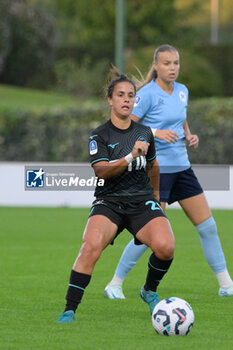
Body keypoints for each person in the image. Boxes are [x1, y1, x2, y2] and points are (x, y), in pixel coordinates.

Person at [104, 44, 233, 300]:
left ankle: (226, 284)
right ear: (156, 66)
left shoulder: (183, 91)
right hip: (156, 171)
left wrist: (189, 135)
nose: (172, 68)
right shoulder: (147, 95)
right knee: (151, 234)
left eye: (175, 63)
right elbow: (127, 127)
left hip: (183, 168)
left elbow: (179, 117)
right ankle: (114, 283)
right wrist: (155, 133)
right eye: (166, 63)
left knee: (208, 226)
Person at [56, 69, 175, 323]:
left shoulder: (144, 132)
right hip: (108, 201)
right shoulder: (99, 135)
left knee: (166, 248)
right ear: (110, 100)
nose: (126, 100)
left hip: (141, 201)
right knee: (89, 248)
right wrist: (131, 155)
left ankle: (148, 290)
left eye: (130, 96)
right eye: (120, 95)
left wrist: (157, 198)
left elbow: (153, 167)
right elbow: (102, 170)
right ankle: (69, 309)